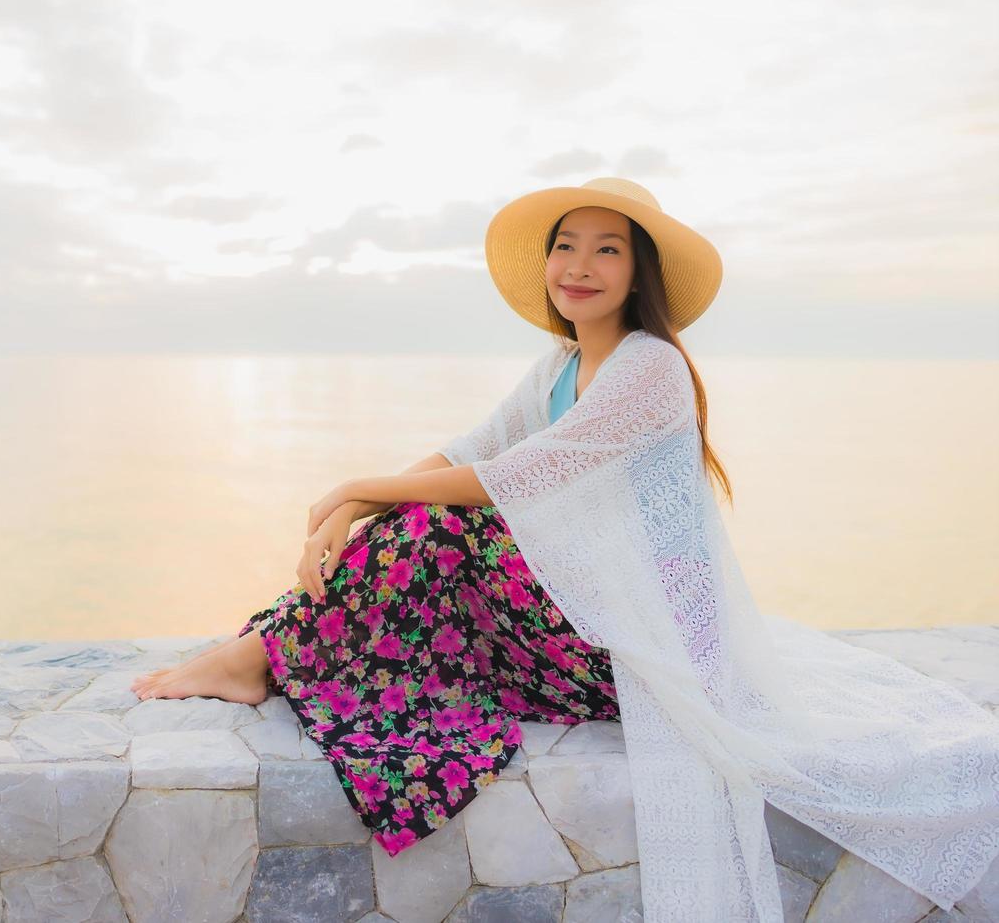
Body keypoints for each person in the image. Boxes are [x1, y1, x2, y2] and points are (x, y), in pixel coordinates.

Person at [131, 178, 999, 920]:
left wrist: (357, 488)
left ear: (640, 272)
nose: (579, 267)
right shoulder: (559, 363)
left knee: (440, 527)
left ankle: (257, 659)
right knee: (421, 523)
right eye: (566, 247)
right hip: (583, 617)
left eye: (607, 250)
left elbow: (508, 477)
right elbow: (470, 448)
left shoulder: (648, 368)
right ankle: (262, 654)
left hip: (645, 653)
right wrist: (358, 498)